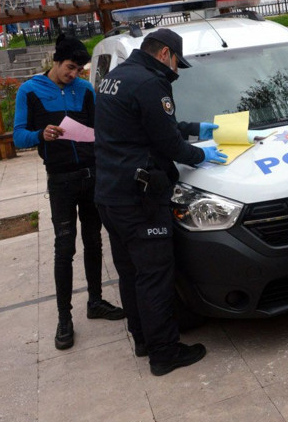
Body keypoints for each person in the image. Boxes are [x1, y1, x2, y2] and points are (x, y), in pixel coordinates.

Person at [94, 28, 227, 376]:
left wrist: (195, 127)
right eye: (177, 64)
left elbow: (143, 126)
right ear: (165, 54)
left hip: (110, 194)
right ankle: (165, 353)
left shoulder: (116, 76)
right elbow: (169, 145)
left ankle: (143, 339)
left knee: (131, 273)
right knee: (155, 276)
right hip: (140, 200)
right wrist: (202, 155)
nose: (176, 72)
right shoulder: (151, 82)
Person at [12, 35, 125, 351]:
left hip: (91, 175)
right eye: (70, 68)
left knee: (94, 240)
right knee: (64, 247)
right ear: (56, 61)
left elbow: (100, 130)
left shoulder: (85, 90)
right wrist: (41, 134)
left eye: (78, 70)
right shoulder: (29, 90)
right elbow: (18, 137)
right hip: (60, 180)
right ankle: (64, 318)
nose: (74, 74)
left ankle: (96, 301)